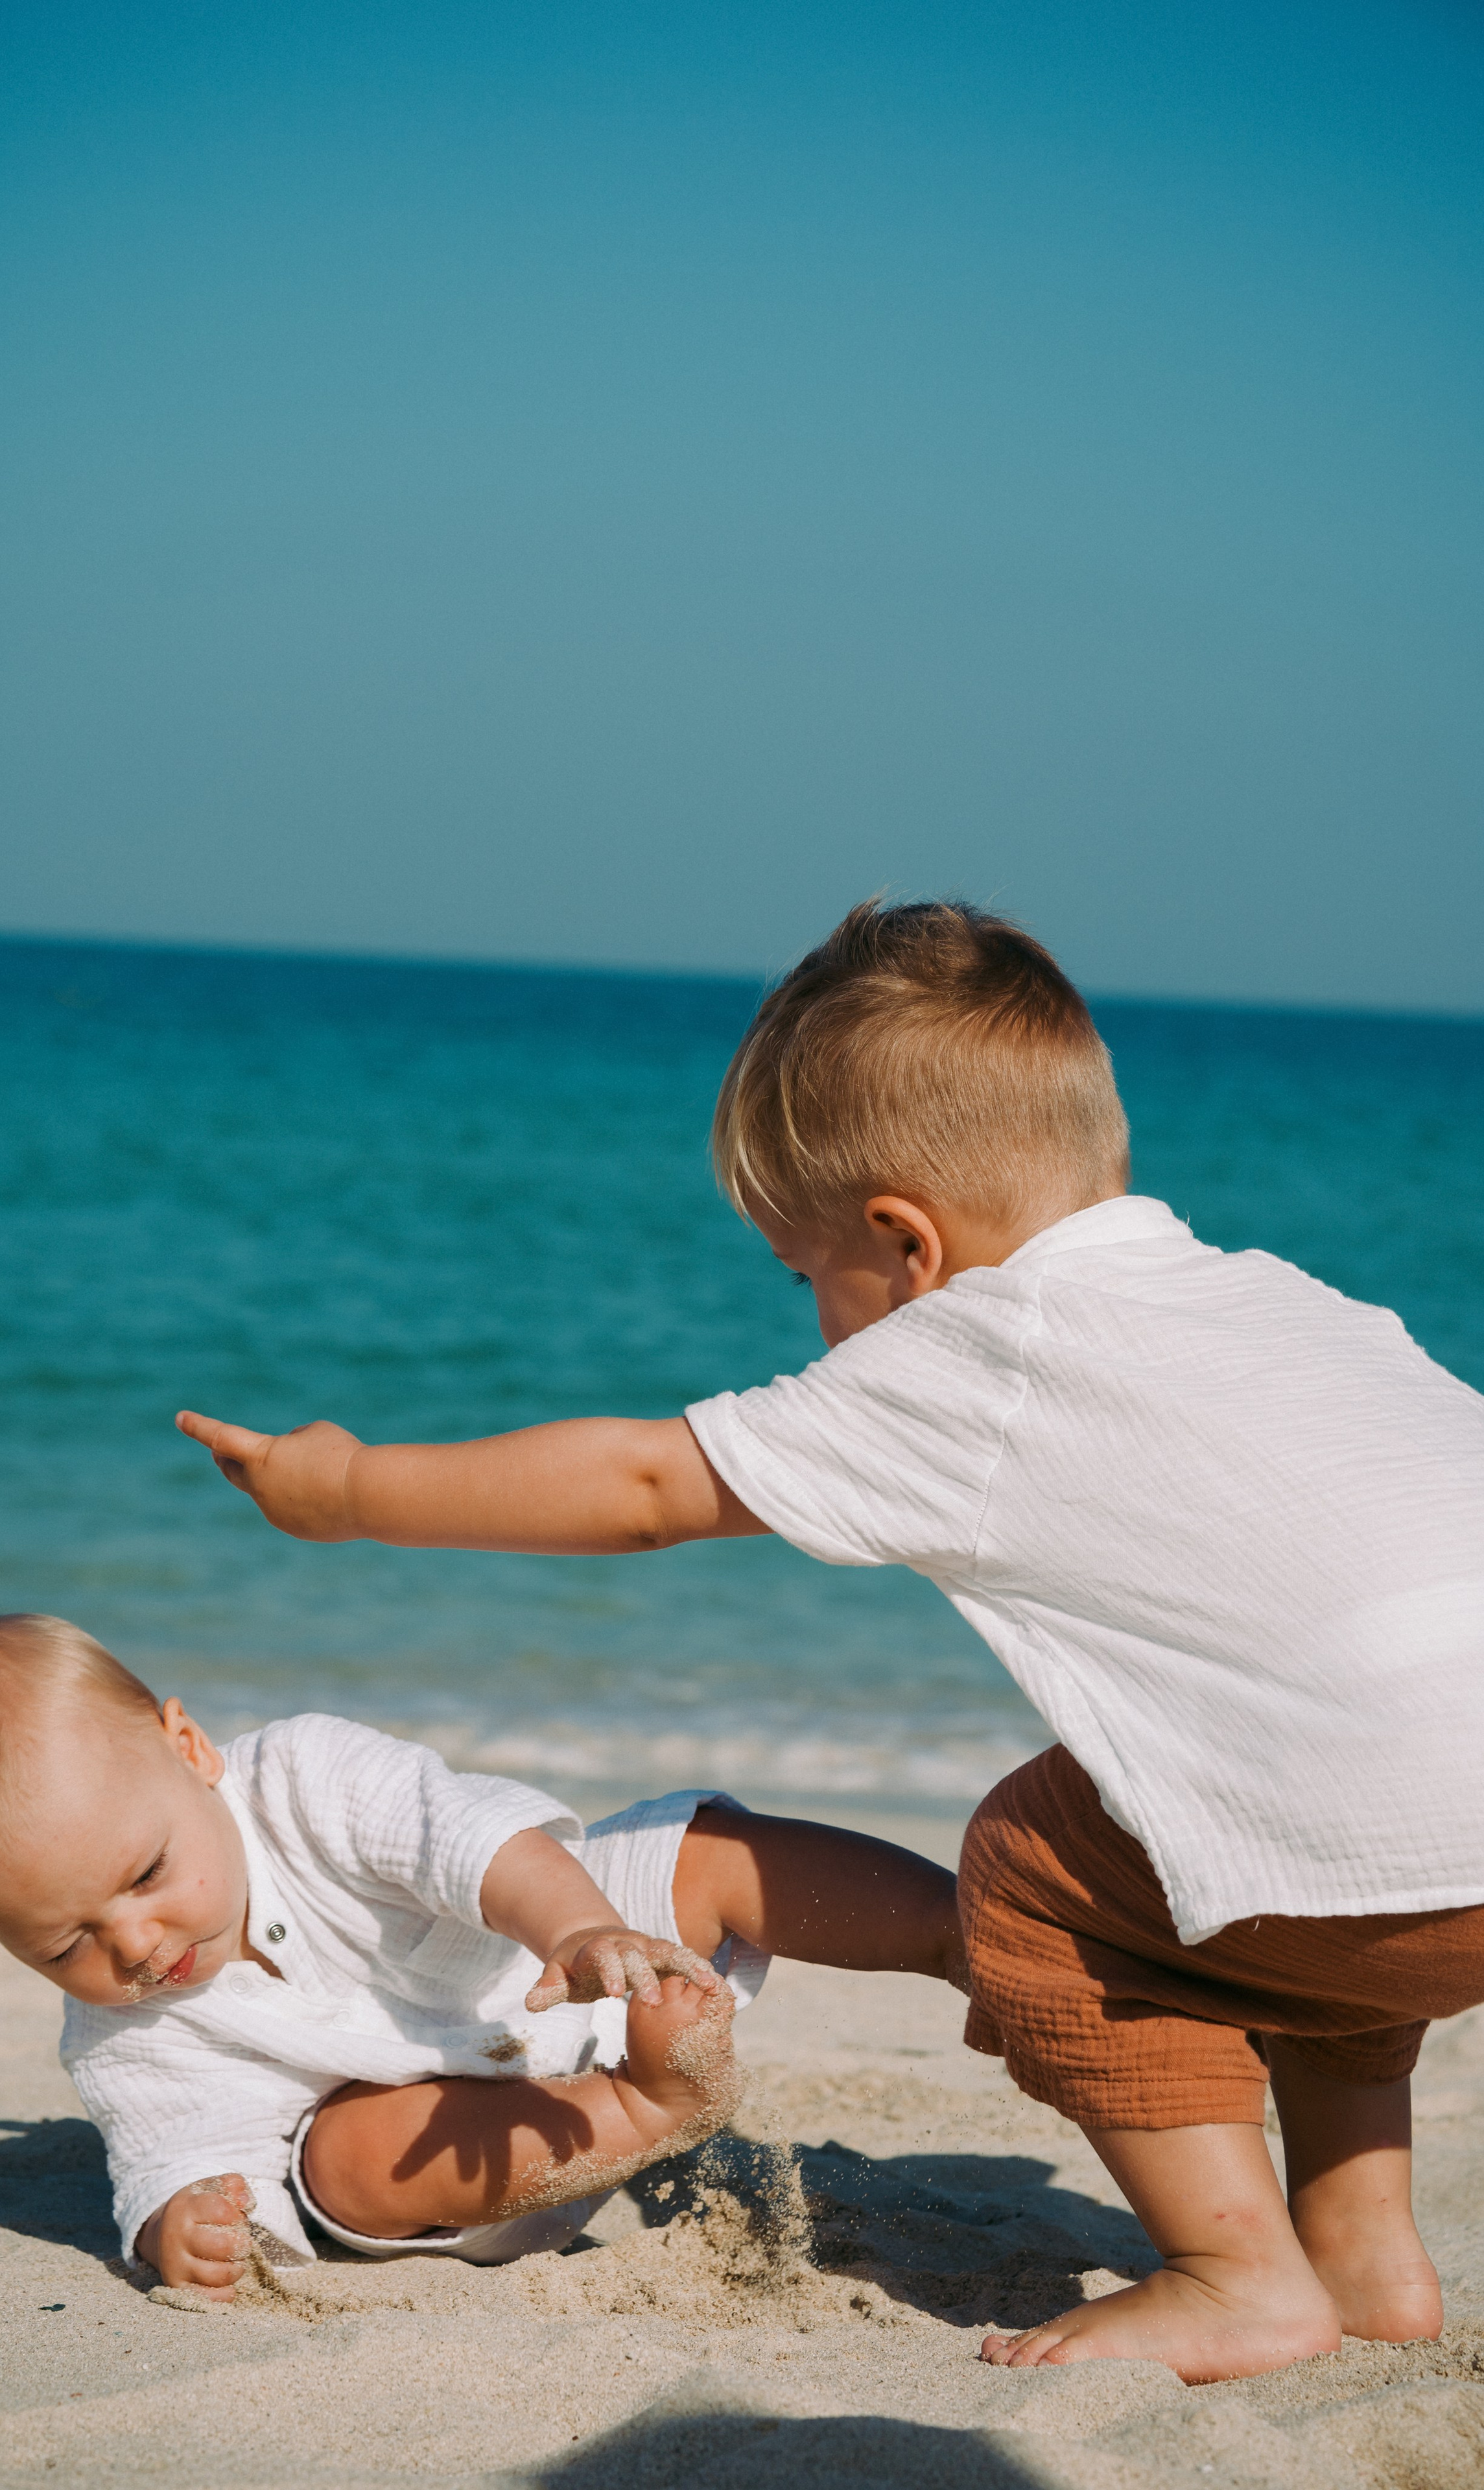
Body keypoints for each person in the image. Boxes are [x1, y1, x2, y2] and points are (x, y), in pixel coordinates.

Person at [177, 898, 1484, 2383]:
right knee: (1303, 1847)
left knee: (1037, 1862)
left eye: (804, 1277)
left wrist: (345, 1489)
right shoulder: (1287, 1300)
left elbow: (642, 1486)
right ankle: (1368, 2261)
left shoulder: (975, 1347)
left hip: (1364, 1834)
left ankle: (1234, 2271)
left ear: (903, 1245)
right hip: (1453, 1856)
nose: (812, 1324)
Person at [0, 1611, 960, 2299]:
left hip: (577, 1962)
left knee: (712, 1855)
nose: (137, 1947)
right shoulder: (123, 2036)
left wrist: (578, 1929)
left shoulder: (303, 1774)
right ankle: (653, 2108)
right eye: (64, 1944)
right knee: (340, 2164)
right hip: (492, 2164)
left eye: (147, 1876)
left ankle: (966, 1936)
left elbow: (465, 1835)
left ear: (190, 1750)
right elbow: (176, 2149)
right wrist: (181, 2227)